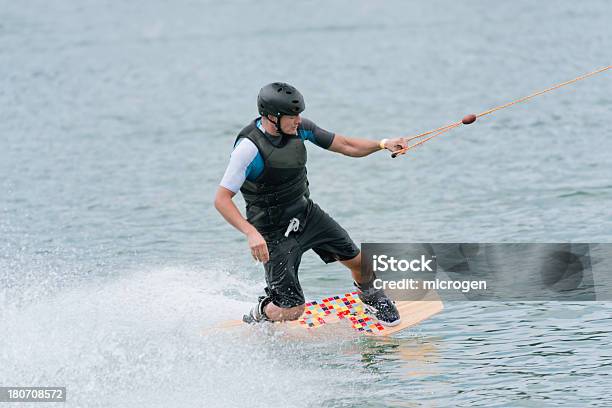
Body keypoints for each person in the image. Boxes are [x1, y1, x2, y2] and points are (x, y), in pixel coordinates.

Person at [214, 82, 408, 326]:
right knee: (293, 309)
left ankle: (370, 296)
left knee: (360, 262)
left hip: (305, 214)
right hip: (273, 232)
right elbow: (221, 199)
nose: (298, 120)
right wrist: (251, 233)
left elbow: (345, 145)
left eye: (299, 115)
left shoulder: (300, 129)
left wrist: (382, 144)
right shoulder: (248, 149)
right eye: (292, 116)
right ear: (272, 117)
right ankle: (261, 312)